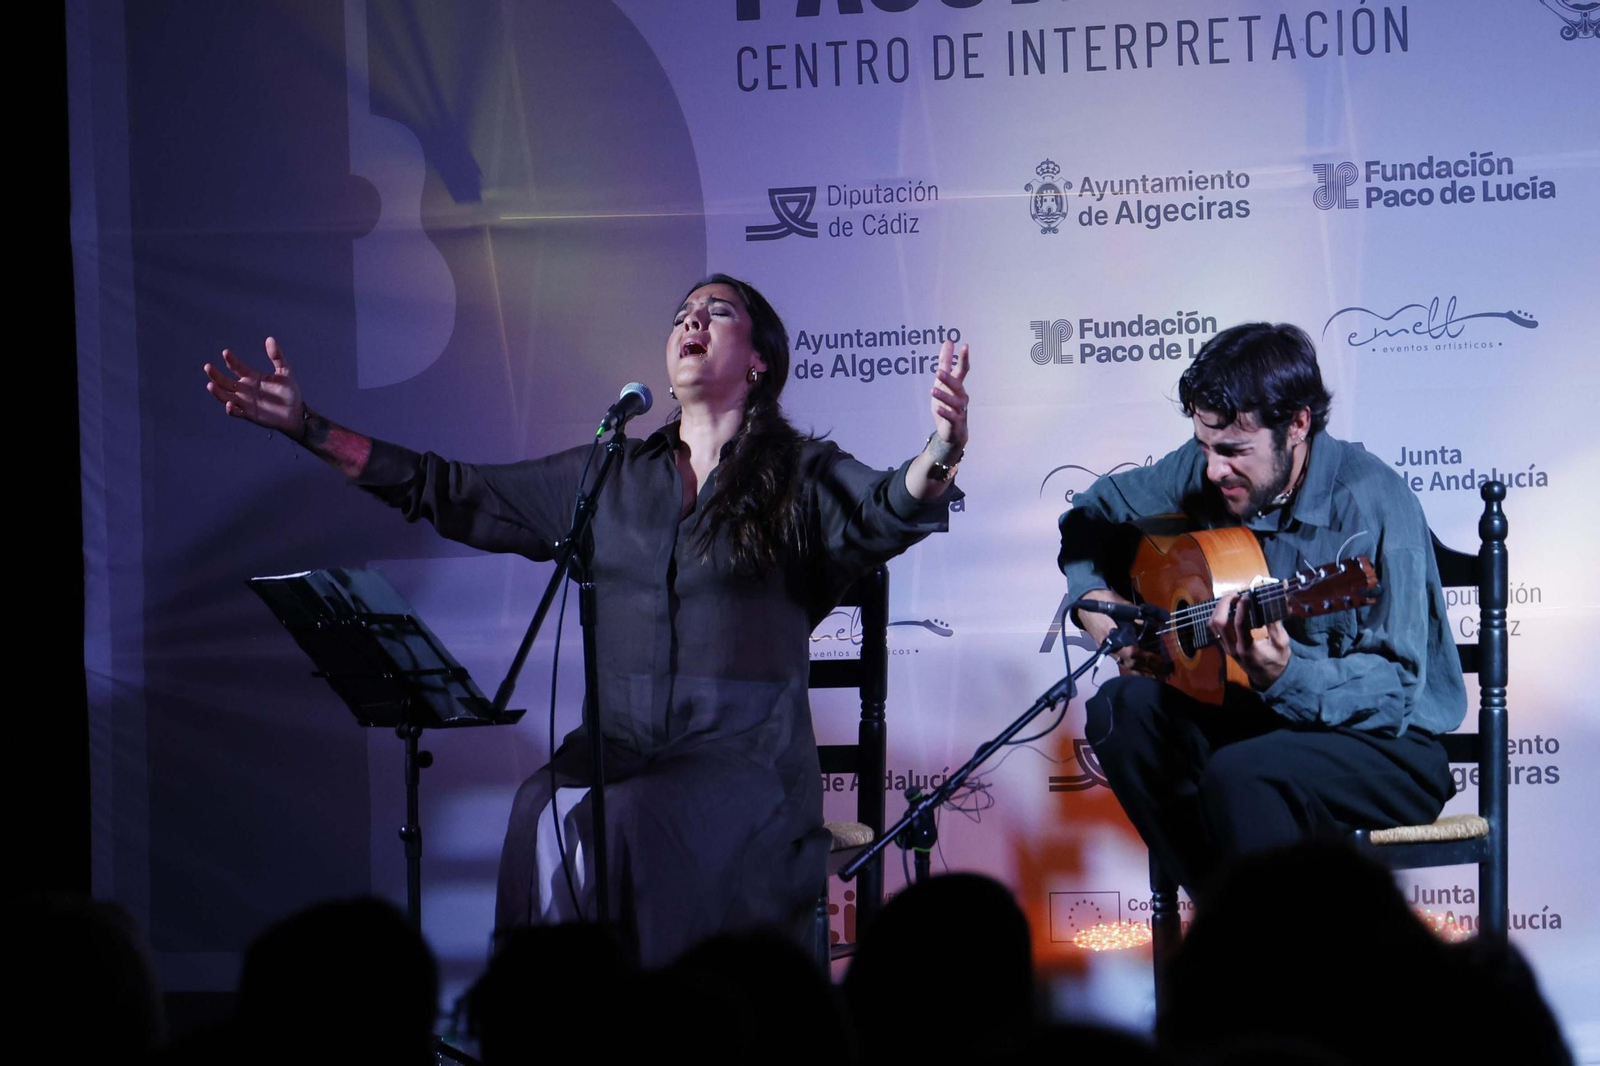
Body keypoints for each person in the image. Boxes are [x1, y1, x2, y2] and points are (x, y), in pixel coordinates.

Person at [204, 274, 970, 963]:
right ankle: (552, 1028)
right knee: (539, 804)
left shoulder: (800, 474)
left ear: (759, 360)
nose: (692, 321)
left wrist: (941, 446)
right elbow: (449, 489)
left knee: (631, 817)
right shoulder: (606, 475)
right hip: (618, 745)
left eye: (718, 311)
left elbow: (888, 506)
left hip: (743, 760)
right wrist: (310, 427)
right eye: (682, 314)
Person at [1057, 322, 1462, 896]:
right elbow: (1088, 516)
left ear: (1297, 424)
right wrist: (1098, 609)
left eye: (1233, 452)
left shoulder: (1373, 501)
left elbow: (1395, 687)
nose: (1214, 469)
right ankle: (1236, 929)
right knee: (1121, 710)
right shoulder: (1205, 465)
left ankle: (1249, 953)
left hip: (1387, 745)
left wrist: (1286, 673)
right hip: (1257, 724)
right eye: (1204, 448)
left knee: (1241, 774)